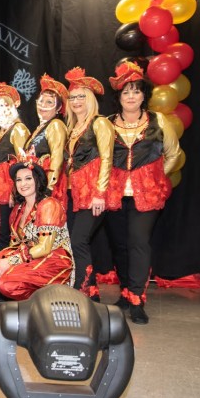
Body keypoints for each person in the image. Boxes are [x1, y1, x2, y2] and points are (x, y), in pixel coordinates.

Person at [105, 62, 182, 324]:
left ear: (143, 95)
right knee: (119, 244)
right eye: (126, 92)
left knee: (138, 241)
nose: (131, 96)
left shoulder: (158, 121)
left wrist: (155, 177)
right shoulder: (107, 124)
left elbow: (173, 154)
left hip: (146, 195)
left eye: (136, 91)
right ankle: (126, 292)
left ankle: (137, 298)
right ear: (118, 97)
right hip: (113, 194)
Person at [0, 159, 74, 300]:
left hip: (52, 259)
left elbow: (44, 248)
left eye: (28, 178)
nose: (23, 184)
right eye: (19, 180)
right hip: (27, 255)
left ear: (38, 180)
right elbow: (15, 244)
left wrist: (11, 261)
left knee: (7, 285)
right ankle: (19, 283)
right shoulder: (18, 209)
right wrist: (10, 260)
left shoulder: (49, 205)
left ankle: (46, 298)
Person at [62, 67, 115, 299]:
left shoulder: (100, 123)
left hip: (92, 194)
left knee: (79, 241)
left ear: (90, 99)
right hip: (73, 194)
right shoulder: (72, 128)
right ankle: (89, 292)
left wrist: (100, 194)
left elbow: (107, 159)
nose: (76, 101)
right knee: (74, 243)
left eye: (81, 96)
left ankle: (82, 292)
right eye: (72, 97)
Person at [0, 82, 31, 253]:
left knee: (3, 235)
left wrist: (14, 190)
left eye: (3, 105)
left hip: (6, 193)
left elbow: (23, 162)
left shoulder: (18, 129)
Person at [25, 74, 69, 206]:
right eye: (41, 101)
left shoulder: (56, 125)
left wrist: (48, 188)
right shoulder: (39, 128)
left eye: (49, 102)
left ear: (58, 107)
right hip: (34, 186)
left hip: (46, 187)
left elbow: (57, 157)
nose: (43, 105)